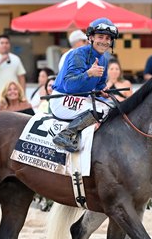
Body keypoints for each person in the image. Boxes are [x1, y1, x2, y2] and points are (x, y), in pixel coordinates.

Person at [50, 17, 118, 152]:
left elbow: (99, 84)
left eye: (107, 38)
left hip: (79, 99)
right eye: (100, 37)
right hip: (61, 99)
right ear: (91, 37)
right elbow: (69, 85)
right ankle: (65, 135)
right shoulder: (78, 54)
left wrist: (102, 90)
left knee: (112, 107)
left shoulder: (103, 59)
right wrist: (89, 73)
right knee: (101, 110)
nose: (104, 41)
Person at [0, 34, 27, 112]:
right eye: (2, 43)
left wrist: (22, 94)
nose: (4, 45)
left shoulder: (16, 58)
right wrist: (0, 62)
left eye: (6, 43)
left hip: (13, 97)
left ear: (9, 45)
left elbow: (21, 77)